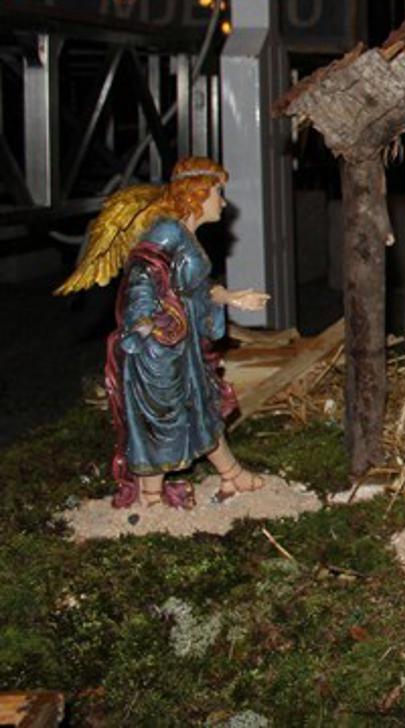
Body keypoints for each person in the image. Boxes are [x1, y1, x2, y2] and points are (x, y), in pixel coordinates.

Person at [56, 157, 270, 509]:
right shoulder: (167, 232)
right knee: (162, 420)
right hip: (160, 349)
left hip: (182, 345)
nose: (223, 202)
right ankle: (151, 497)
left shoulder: (186, 234)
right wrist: (149, 325)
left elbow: (195, 288)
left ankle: (232, 475)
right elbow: (142, 276)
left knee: (202, 409)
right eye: (218, 192)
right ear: (197, 194)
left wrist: (233, 297)